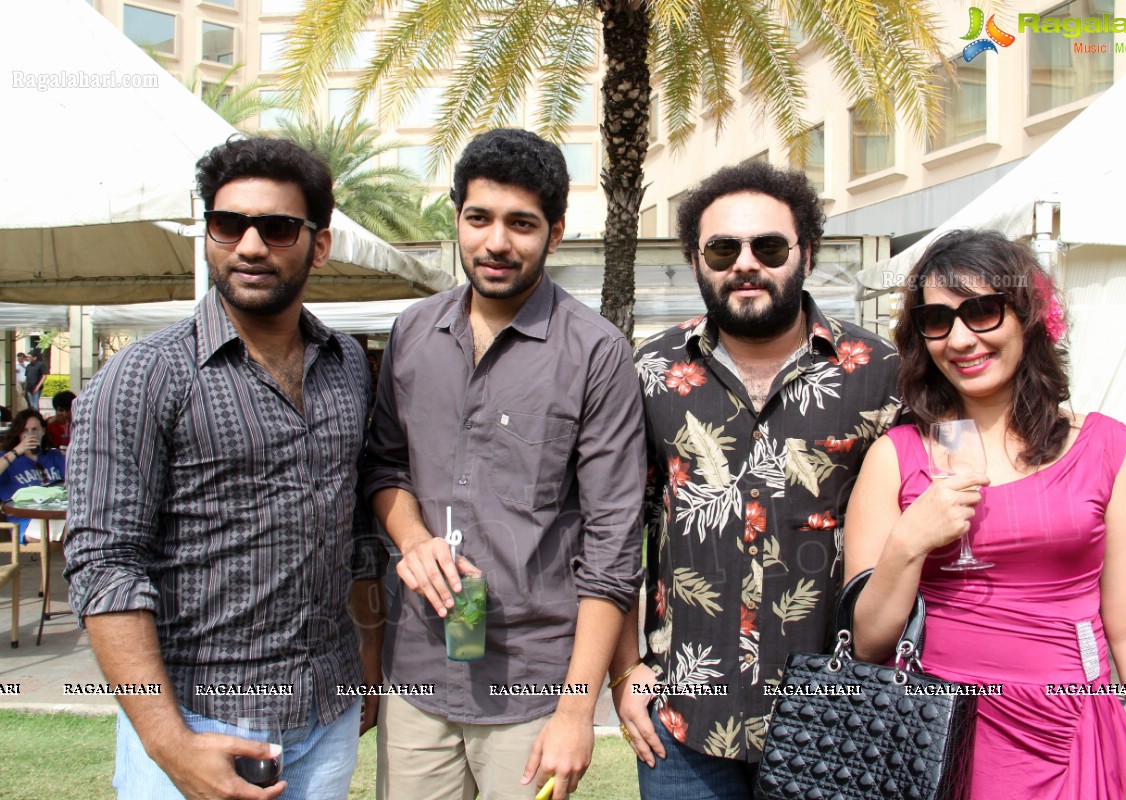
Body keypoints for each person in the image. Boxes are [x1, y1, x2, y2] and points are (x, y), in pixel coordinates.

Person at [64, 136, 387, 800]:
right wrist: (168, 744)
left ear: (317, 246)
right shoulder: (145, 376)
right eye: (226, 224)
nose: (248, 246)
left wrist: (371, 659)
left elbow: (355, 532)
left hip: (325, 716)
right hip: (198, 724)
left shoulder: (347, 366)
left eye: (276, 228)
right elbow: (104, 565)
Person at [844, 229, 1126, 799]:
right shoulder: (895, 458)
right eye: (937, 320)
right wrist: (909, 543)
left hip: (1076, 733)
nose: (960, 338)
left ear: (1028, 316)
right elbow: (869, 643)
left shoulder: (1104, 449)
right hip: (941, 745)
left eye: (982, 312)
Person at [362, 128, 645, 800]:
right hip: (420, 674)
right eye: (479, 218)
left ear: (556, 231)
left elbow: (612, 543)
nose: (496, 242)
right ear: (456, 217)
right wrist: (413, 538)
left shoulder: (596, 353)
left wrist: (577, 711)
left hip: (534, 686)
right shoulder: (411, 335)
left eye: (522, 224)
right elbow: (383, 466)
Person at [609, 162, 902, 800]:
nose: (746, 263)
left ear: (807, 253)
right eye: (722, 248)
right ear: (696, 260)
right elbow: (612, 534)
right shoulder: (651, 370)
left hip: (833, 716)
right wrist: (622, 669)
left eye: (768, 246)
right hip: (683, 720)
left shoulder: (880, 373)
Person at [0, 409, 67, 542]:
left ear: (43, 431)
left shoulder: (54, 456)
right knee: (76, 528)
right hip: (26, 520)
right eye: (25, 430)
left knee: (83, 524)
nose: (31, 434)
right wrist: (17, 451)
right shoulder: (7, 458)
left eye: (35, 429)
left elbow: (74, 481)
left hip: (57, 514)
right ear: (18, 433)